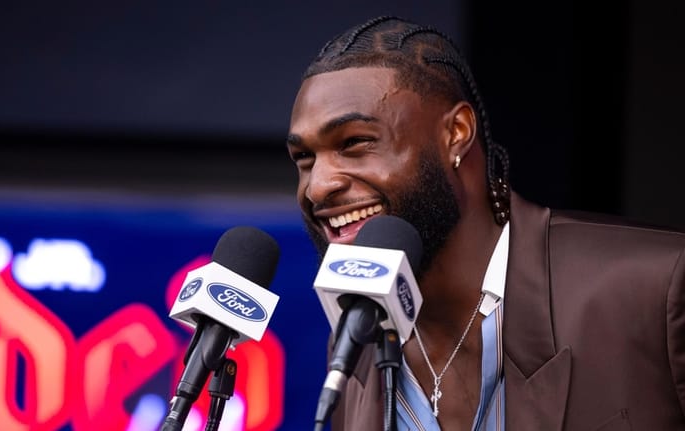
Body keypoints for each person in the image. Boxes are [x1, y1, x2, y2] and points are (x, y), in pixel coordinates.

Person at [285, 15, 685, 431]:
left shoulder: (656, 288)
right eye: (304, 159)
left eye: (354, 143)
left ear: (456, 133)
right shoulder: (358, 342)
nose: (318, 188)